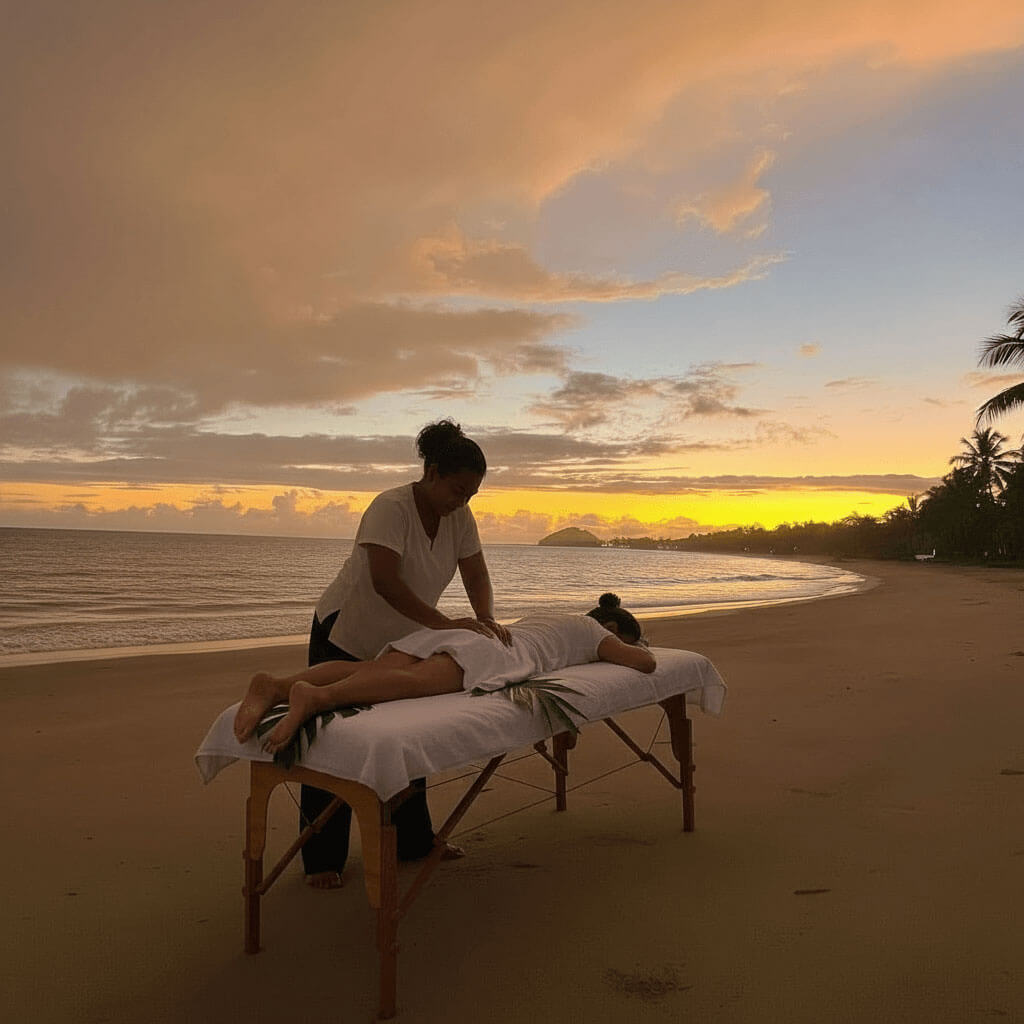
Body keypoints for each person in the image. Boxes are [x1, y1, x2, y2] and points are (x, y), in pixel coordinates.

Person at [294, 419, 510, 888]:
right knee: (329, 737)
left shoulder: (460, 518)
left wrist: (485, 619)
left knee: (407, 734)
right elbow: (384, 582)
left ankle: (414, 842)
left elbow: (476, 573)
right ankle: (322, 858)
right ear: (431, 472)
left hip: (405, 639)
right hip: (346, 633)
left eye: (471, 494)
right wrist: (447, 625)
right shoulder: (389, 508)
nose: (462, 500)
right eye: (457, 489)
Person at [233, 594, 656, 756]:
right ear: (614, 629)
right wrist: (635, 648)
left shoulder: (553, 616)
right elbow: (644, 665)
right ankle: (317, 698)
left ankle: (279, 685)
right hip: (494, 655)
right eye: (626, 637)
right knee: (415, 685)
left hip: (467, 633)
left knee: (371, 669)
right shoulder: (596, 632)